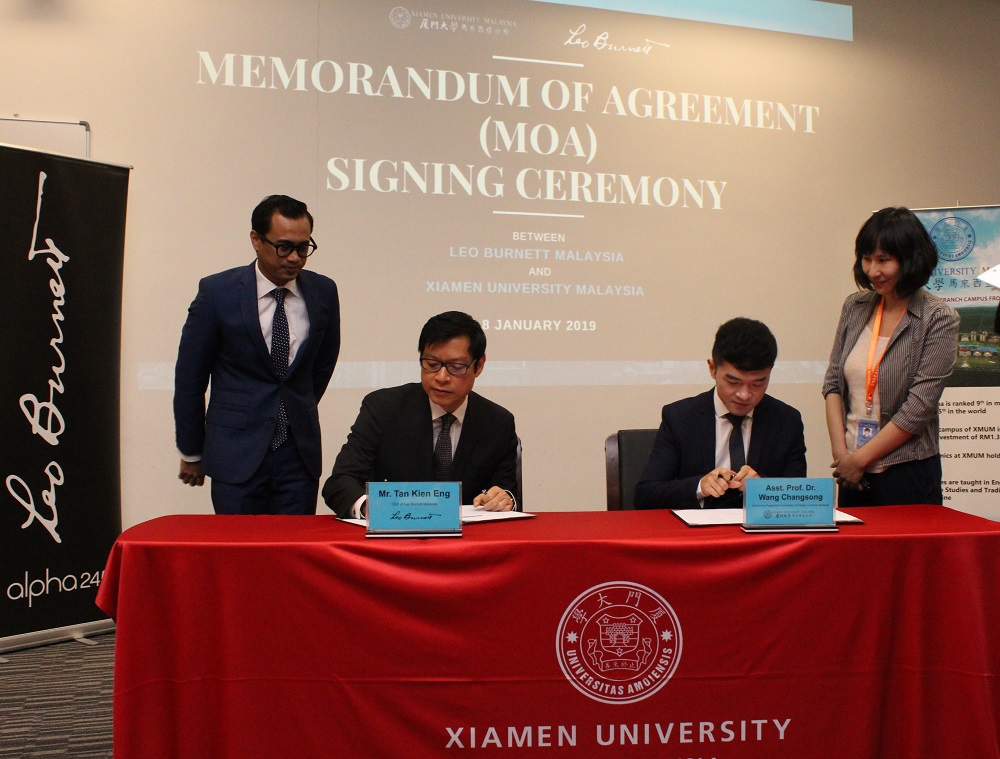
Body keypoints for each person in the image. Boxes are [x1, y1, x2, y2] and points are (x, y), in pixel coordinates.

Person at [174, 194, 341, 514]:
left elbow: (321, 365)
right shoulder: (217, 293)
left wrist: (293, 407)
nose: (294, 257)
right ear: (256, 239)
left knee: (293, 554)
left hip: (298, 457)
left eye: (303, 247)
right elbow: (190, 378)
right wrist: (192, 451)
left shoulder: (323, 292)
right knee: (239, 555)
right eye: (283, 246)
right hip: (235, 454)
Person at [322, 311, 519, 518]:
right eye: (432, 365)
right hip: (395, 540)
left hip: (468, 544)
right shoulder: (383, 409)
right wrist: (370, 507)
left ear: (479, 366)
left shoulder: (497, 422)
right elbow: (340, 482)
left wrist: (504, 498)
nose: (441, 377)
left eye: (456, 367)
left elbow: (507, 491)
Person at [823, 206, 959, 506]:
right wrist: (843, 456)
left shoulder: (937, 318)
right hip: (851, 472)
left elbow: (918, 408)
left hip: (906, 471)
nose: (872, 270)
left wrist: (860, 460)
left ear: (909, 259)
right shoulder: (855, 306)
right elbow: (833, 384)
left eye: (883, 260)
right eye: (867, 258)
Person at [634, 317, 807, 509]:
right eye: (733, 382)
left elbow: (799, 498)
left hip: (762, 534)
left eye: (758, 383)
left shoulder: (786, 421)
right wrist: (700, 486)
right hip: (698, 536)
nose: (744, 395)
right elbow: (646, 495)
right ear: (712, 368)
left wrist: (764, 488)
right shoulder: (680, 417)